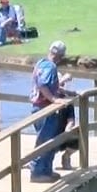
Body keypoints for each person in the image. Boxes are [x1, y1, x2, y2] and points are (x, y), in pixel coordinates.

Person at [29, 40, 73, 182]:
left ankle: (46, 171)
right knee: (45, 141)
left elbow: (48, 85)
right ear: (60, 56)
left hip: (37, 107)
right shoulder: (51, 67)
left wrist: (64, 91)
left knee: (48, 140)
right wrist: (53, 99)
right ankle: (38, 173)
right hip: (44, 108)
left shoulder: (41, 62)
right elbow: (43, 84)